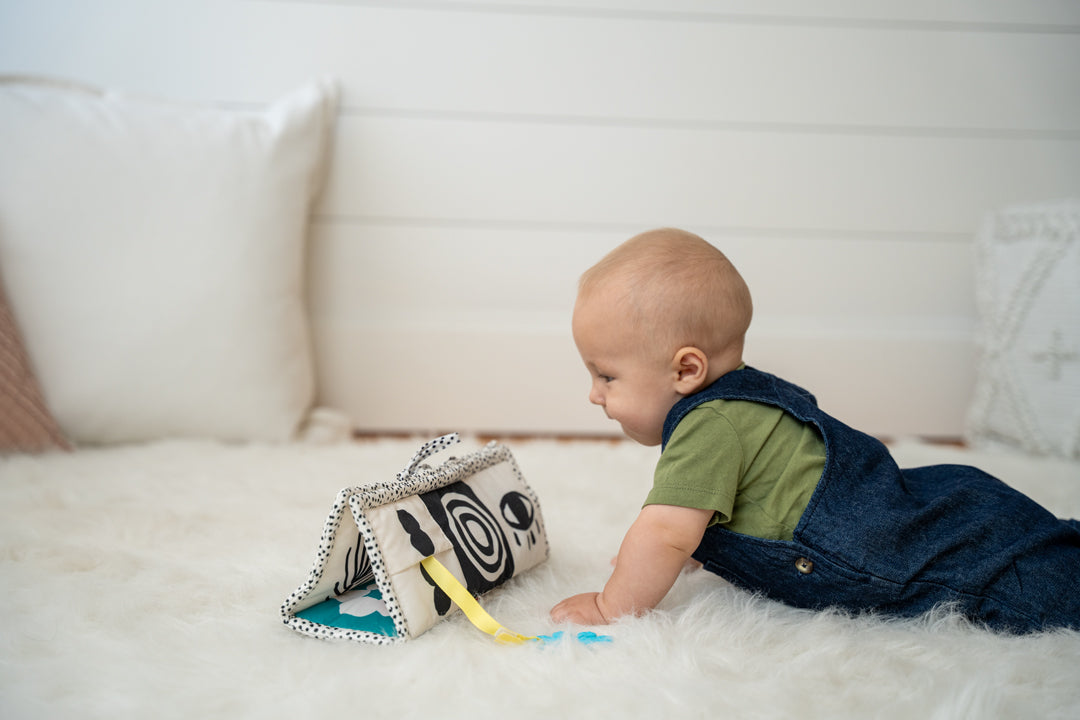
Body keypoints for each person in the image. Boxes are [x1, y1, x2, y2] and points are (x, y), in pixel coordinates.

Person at [550, 227, 1080, 633]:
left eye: (606, 375)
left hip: (895, 551)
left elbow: (666, 531)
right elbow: (729, 506)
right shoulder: (742, 400)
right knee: (1017, 536)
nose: (594, 394)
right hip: (922, 499)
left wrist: (610, 605)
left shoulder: (706, 426)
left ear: (686, 371)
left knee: (1033, 584)